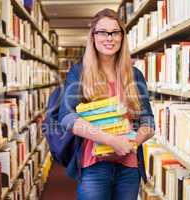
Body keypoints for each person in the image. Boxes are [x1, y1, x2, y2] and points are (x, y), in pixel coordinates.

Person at [58, 8, 155, 200]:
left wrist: (131, 143)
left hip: (129, 168)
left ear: (122, 37)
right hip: (94, 167)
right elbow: (67, 118)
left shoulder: (135, 75)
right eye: (102, 32)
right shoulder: (79, 73)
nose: (109, 38)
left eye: (115, 32)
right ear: (93, 36)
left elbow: (148, 123)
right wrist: (111, 141)